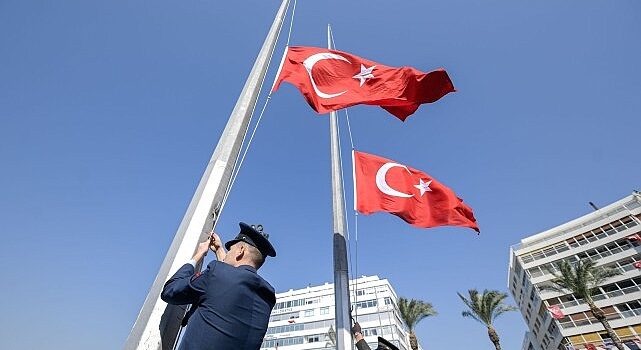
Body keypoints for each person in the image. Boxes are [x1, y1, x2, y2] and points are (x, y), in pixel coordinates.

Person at [161, 222, 277, 350]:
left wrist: (198, 255)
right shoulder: (268, 296)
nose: (227, 254)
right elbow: (230, 286)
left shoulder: (217, 273)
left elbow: (170, 291)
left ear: (241, 251)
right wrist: (219, 250)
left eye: (230, 251)